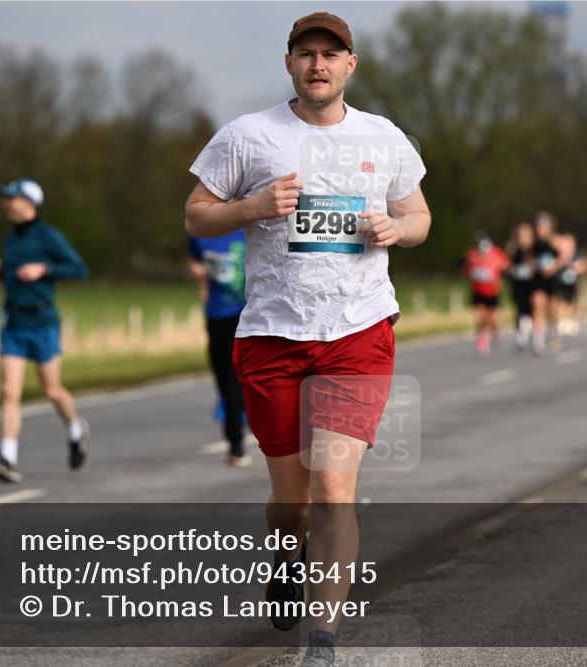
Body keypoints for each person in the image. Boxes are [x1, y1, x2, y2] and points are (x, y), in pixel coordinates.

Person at [184, 12, 430, 664]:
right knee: (291, 503)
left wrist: (397, 230)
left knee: (333, 490)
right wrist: (253, 207)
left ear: (352, 64)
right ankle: (285, 554)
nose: (318, 64)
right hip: (273, 334)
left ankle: (321, 640)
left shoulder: (383, 136)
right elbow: (197, 216)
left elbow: (419, 215)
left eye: (330, 54)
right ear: (289, 62)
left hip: (358, 331)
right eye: (306, 53)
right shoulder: (249, 136)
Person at [0, 179, 90, 483]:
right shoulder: (10, 239)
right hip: (13, 323)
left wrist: (45, 269)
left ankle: (75, 428)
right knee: (8, 391)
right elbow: (16, 278)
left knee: (51, 390)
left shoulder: (48, 237)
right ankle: (8, 457)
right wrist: (0, 271)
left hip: (43, 323)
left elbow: (79, 269)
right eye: (5, 198)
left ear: (29, 203)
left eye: (12, 198)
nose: (6, 204)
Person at [188, 230, 251, 466]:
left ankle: (236, 444)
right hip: (216, 314)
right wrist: (199, 273)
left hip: (244, 313)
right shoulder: (201, 232)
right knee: (222, 379)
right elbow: (194, 261)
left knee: (233, 375)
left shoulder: (247, 227)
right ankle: (239, 416)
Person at [461, 231, 510, 356]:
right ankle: (482, 344)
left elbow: (505, 267)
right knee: (479, 317)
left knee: (491, 319)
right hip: (478, 292)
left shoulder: (496, 253)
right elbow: (465, 270)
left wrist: (499, 278)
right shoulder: (471, 254)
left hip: (492, 292)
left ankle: (495, 332)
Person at [530, 212, 561, 354]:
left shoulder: (555, 240)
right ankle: (538, 340)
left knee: (551, 309)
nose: (540, 228)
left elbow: (564, 255)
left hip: (552, 278)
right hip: (538, 279)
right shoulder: (533, 242)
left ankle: (553, 330)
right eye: (538, 225)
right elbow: (528, 257)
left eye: (543, 225)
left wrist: (554, 267)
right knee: (537, 305)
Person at [506, 222, 536, 351]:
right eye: (521, 234)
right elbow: (508, 263)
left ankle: (529, 332)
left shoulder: (534, 248)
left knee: (531, 307)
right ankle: (520, 334)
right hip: (518, 282)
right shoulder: (513, 247)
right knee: (519, 307)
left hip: (531, 283)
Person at [553, 233, 587, 336]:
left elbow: (584, 265)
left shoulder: (577, 254)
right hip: (560, 282)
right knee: (561, 301)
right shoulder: (558, 255)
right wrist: (562, 260)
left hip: (573, 282)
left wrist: (577, 268)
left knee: (572, 301)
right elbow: (553, 267)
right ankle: (563, 321)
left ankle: (572, 320)